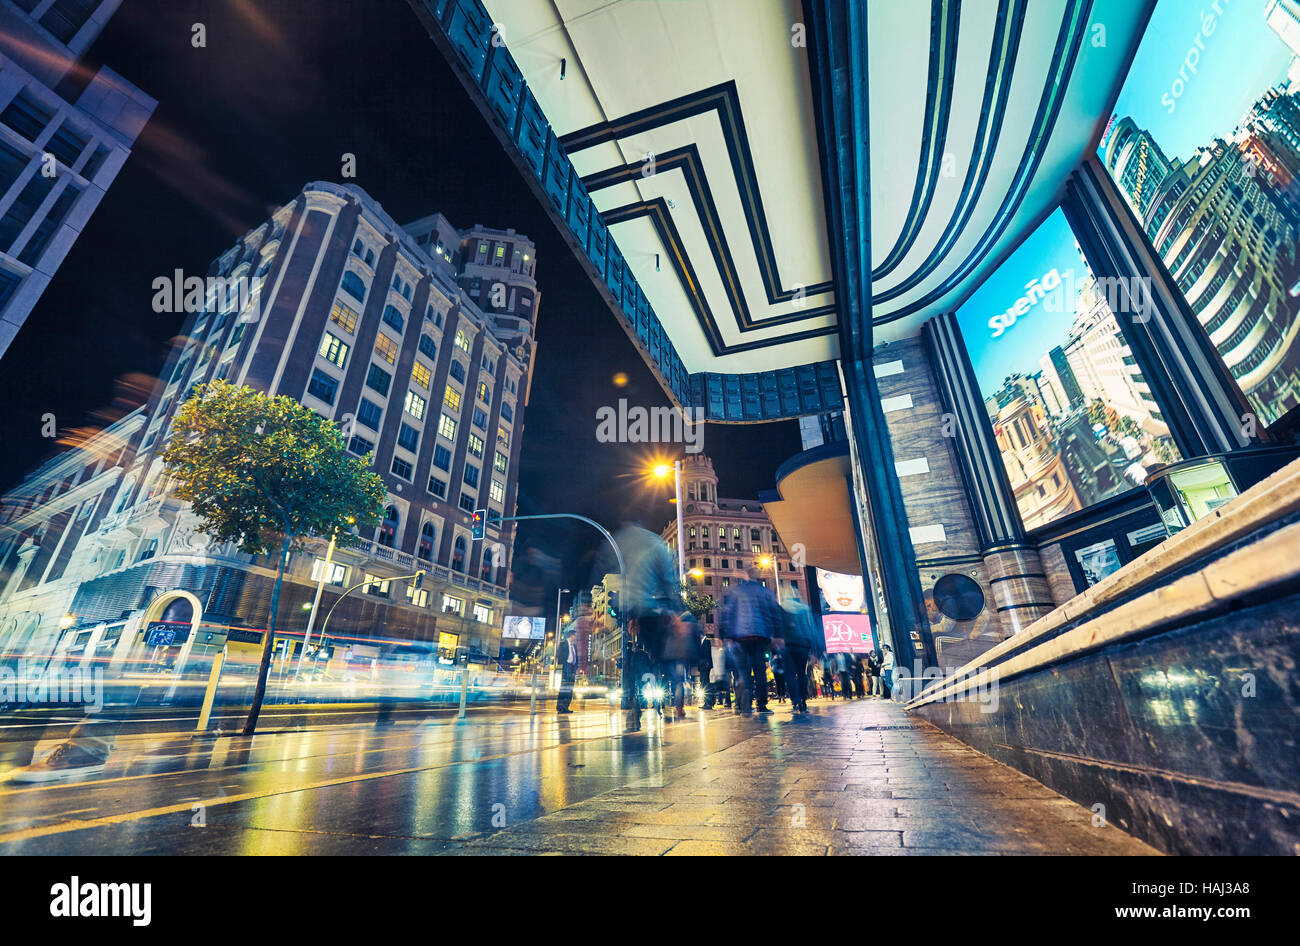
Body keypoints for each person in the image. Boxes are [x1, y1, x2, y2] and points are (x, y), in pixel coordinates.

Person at [719, 568, 782, 715]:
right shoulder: (765, 592)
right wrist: (777, 635)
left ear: (746, 575)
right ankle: (761, 704)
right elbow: (775, 613)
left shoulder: (737, 591)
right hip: (760, 635)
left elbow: (729, 613)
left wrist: (727, 635)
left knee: (743, 670)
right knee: (760, 670)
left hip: (740, 636)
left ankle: (744, 700)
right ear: (759, 577)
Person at [777, 592, 816, 713]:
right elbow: (808, 629)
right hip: (802, 645)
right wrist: (812, 649)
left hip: (787, 646)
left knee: (790, 675)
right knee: (801, 674)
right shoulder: (803, 610)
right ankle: (803, 701)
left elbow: (778, 627)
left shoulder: (781, 608)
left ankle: (795, 702)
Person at [555, 625, 577, 713]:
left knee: (570, 689)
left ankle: (566, 707)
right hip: (566, 668)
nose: (576, 637)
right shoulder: (562, 645)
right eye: (575, 636)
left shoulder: (574, 646)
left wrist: (575, 669)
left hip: (572, 668)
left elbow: (576, 658)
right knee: (564, 688)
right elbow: (559, 657)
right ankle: (560, 707)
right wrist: (562, 669)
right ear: (571, 636)